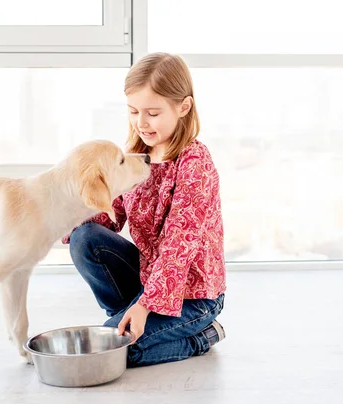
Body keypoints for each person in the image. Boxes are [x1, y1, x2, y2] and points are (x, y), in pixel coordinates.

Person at [63, 52, 226, 368]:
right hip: (147, 281)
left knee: (112, 351)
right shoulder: (135, 157)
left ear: (183, 107)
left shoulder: (195, 166)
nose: (141, 122)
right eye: (134, 111)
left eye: (152, 113)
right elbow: (110, 214)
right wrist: (60, 223)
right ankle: (125, 315)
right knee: (85, 235)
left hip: (192, 299)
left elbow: (179, 247)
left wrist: (147, 305)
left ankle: (203, 336)